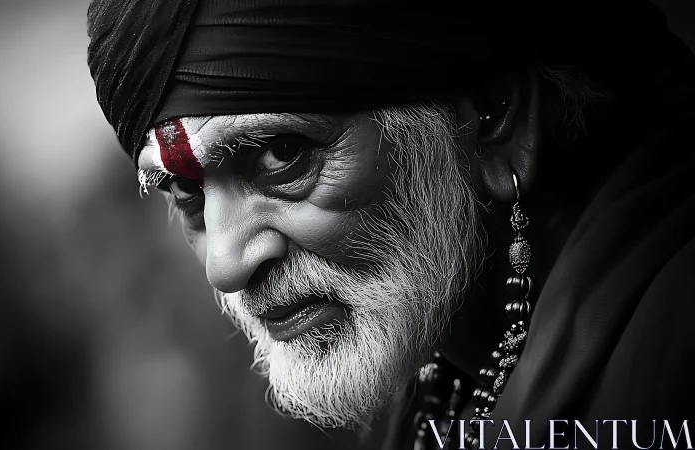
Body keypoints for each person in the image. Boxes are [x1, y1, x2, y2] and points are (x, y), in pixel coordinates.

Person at [86, 1, 695, 448]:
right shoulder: (424, 379)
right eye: (186, 191)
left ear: (491, 117)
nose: (225, 263)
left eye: (282, 155)